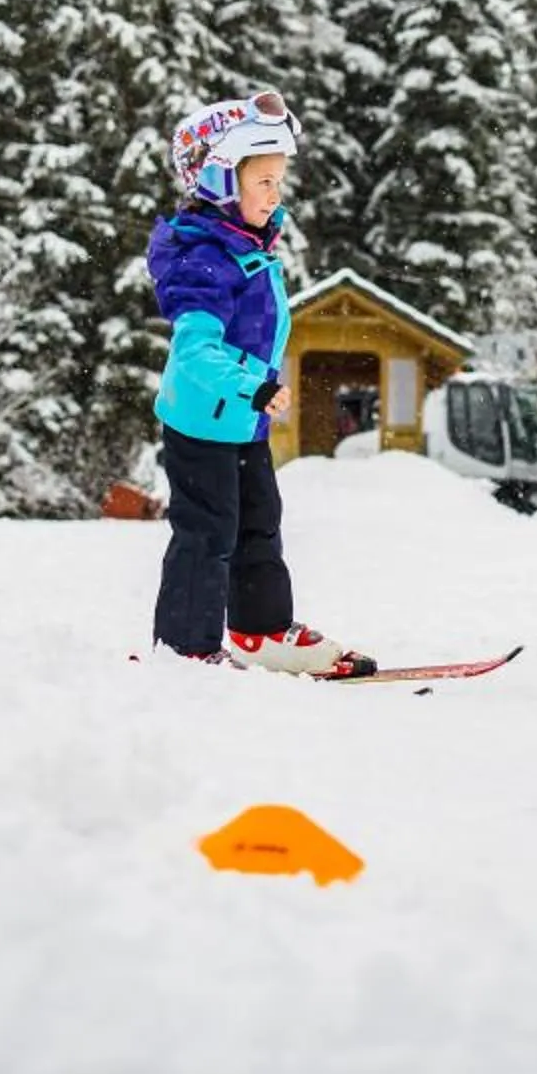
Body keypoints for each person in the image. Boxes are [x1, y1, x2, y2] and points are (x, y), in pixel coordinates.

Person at [148, 92, 371, 677]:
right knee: (207, 533)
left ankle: (260, 630)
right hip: (202, 423)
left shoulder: (249, 246)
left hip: (243, 423)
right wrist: (252, 384)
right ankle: (185, 649)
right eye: (264, 181)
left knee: (258, 524)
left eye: (280, 181)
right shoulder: (202, 258)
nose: (276, 194)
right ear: (222, 181)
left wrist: (252, 398)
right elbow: (195, 350)